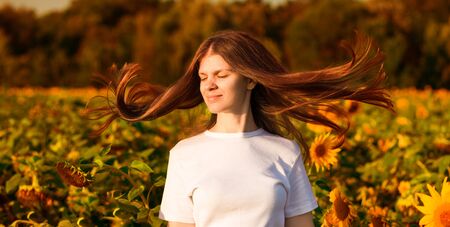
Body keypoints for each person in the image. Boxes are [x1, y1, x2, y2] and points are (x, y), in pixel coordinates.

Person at [85, 30, 395, 226]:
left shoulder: (284, 153)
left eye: (221, 74)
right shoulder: (184, 155)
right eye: (203, 77)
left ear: (250, 79)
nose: (210, 85)